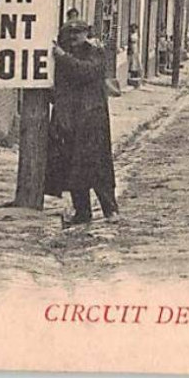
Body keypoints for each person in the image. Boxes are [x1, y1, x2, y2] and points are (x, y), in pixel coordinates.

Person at [45, 20, 118, 226]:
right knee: (73, 168)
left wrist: (63, 57)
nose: (73, 37)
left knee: (98, 167)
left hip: (92, 120)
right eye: (70, 33)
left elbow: (86, 72)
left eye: (78, 32)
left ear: (86, 33)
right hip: (70, 120)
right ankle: (82, 212)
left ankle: (110, 210)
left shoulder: (95, 52)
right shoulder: (63, 54)